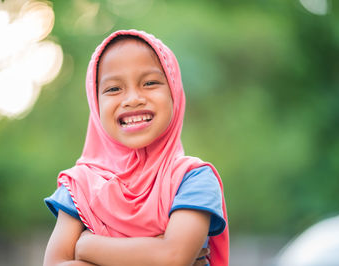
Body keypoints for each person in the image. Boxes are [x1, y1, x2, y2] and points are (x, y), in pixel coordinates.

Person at [43, 29, 229, 266]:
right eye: (113, 89)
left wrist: (87, 246)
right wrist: (151, 251)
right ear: (95, 102)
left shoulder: (193, 179)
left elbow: (172, 257)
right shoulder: (80, 186)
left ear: (174, 92)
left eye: (150, 83)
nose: (132, 98)